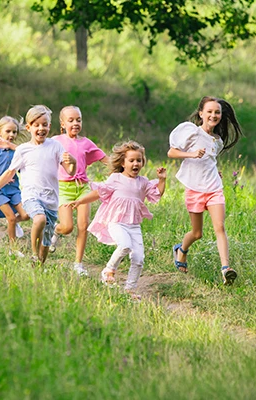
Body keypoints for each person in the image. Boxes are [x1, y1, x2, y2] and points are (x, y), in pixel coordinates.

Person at [67, 140, 166, 299]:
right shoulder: (116, 178)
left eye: (139, 160)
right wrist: (80, 201)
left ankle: (130, 289)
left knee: (139, 258)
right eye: (131, 160)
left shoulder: (143, 182)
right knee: (125, 245)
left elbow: (157, 195)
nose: (136, 163)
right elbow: (99, 193)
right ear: (122, 162)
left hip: (134, 226)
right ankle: (108, 270)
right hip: (116, 222)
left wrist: (162, 180)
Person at [0, 105, 77, 265]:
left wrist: (72, 162)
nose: (41, 128)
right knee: (39, 219)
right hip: (31, 196)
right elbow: (9, 173)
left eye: (44, 124)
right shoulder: (23, 150)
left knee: (45, 245)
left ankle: (38, 265)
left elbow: (70, 172)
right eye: (36, 125)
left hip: (51, 200)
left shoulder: (55, 146)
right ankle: (33, 252)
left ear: (49, 126)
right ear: (28, 127)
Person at [168, 96, 242, 285]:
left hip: (214, 188)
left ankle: (226, 269)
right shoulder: (191, 132)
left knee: (220, 227)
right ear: (201, 113)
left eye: (217, 112)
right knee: (197, 233)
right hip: (194, 189)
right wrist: (191, 154)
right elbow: (172, 152)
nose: (213, 115)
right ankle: (181, 250)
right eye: (209, 111)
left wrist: (214, 170)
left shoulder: (217, 140)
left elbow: (210, 159)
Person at [49, 105, 109, 276]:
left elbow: (106, 160)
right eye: (71, 120)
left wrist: (126, 167)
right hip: (64, 188)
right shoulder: (55, 141)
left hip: (82, 187)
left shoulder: (86, 143)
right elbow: (39, 152)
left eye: (78, 120)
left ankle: (78, 264)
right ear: (62, 123)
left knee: (83, 226)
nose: (75, 123)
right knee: (67, 227)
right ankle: (55, 230)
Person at [0, 116, 29, 257]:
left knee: (25, 215)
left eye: (14, 132)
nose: (11, 135)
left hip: (14, 190)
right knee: (12, 218)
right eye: (8, 131)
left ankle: (13, 224)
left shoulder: (16, 151)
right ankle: (12, 249)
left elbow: (23, 167)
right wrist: (1, 179)